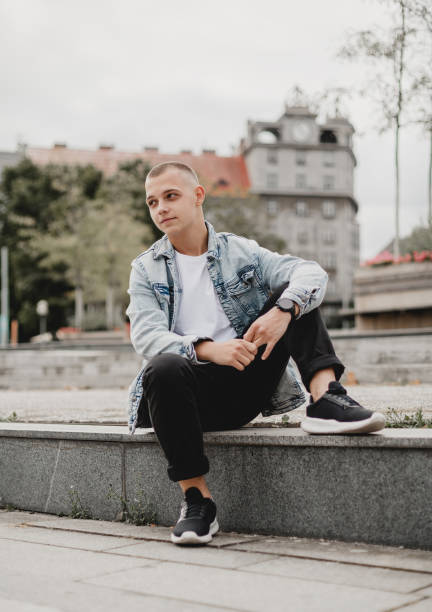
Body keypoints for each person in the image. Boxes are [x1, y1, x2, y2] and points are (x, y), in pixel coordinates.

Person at [126, 161, 385, 546]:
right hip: (182, 395)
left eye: (170, 196)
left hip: (244, 386)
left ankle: (326, 399)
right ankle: (197, 500)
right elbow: (146, 335)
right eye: (152, 202)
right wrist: (210, 349)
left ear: (198, 196)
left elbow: (311, 273)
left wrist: (282, 313)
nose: (160, 207)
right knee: (162, 367)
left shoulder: (240, 251)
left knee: (295, 296)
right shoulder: (146, 269)